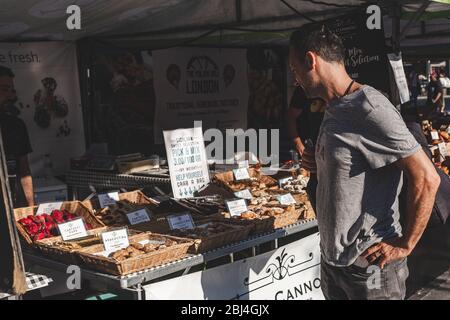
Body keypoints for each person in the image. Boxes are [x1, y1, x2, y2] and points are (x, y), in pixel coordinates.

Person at [289, 23, 440, 300]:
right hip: (335, 262)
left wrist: (406, 244)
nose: (294, 78)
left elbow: (427, 176)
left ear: (311, 60)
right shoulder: (334, 106)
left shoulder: (369, 107)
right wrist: (319, 160)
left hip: (370, 267)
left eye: (294, 68)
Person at [286, 86, 325, 210]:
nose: (295, 80)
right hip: (313, 153)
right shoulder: (303, 89)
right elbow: (291, 116)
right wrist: (298, 142)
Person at [0, 66, 34, 207]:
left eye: (11, 90)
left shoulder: (16, 124)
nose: (10, 95)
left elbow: (24, 168)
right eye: (4, 89)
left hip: (12, 203)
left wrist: (31, 207)